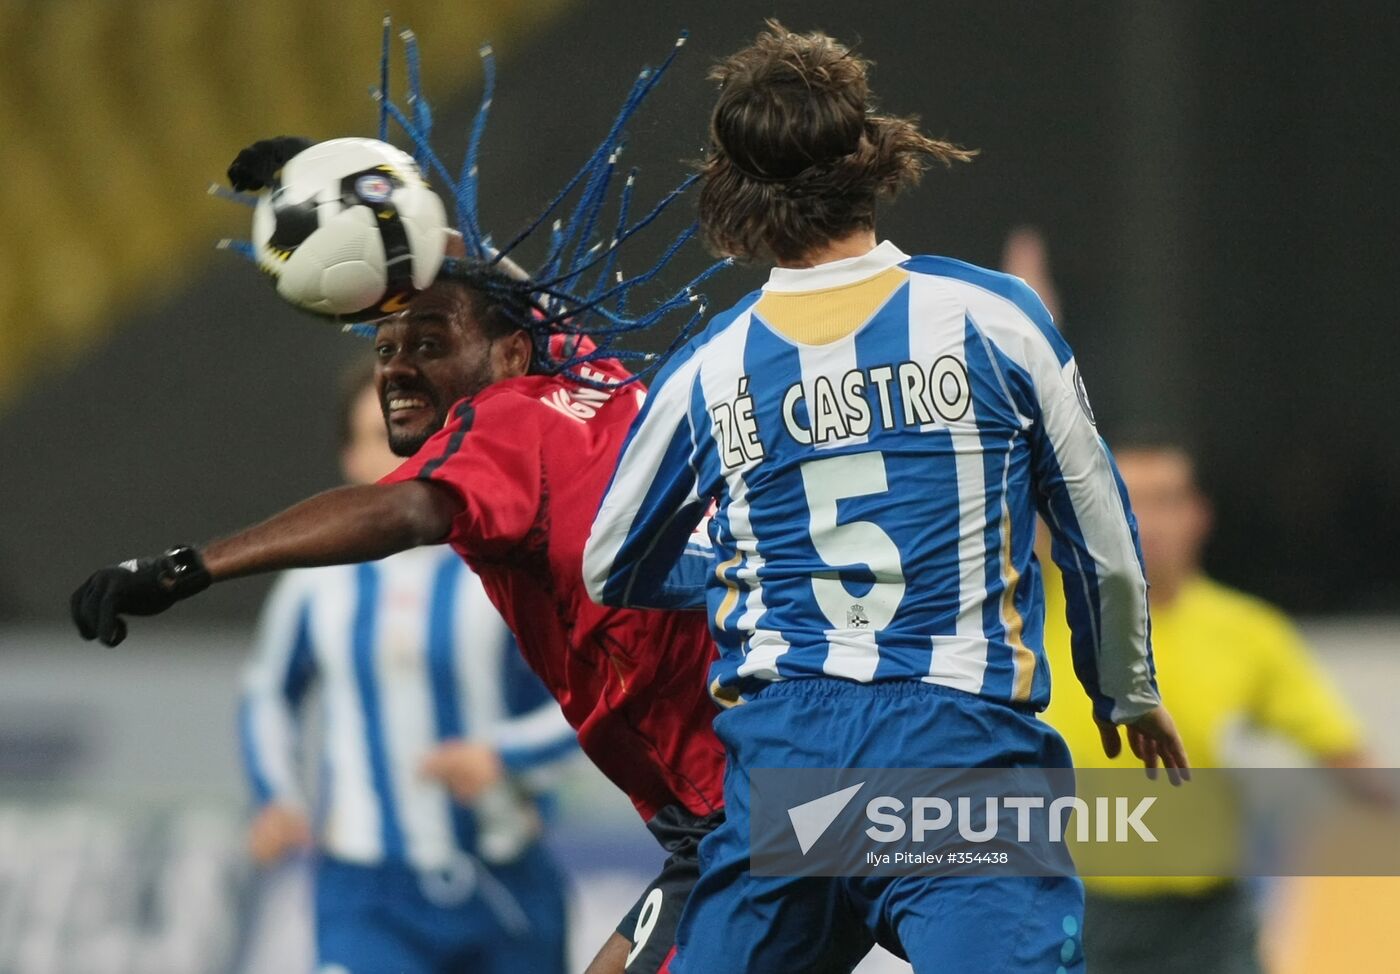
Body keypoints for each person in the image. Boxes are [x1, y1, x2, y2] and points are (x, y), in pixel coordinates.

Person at [71, 36, 727, 974]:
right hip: (739, 793)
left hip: (736, 805)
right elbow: (494, 280)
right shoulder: (587, 373)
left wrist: (190, 567)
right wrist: (337, 184)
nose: (397, 364)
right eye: (383, 348)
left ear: (503, 356)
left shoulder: (504, 423)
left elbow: (407, 513)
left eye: (427, 339)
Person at [583, 21, 1189, 974]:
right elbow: (1097, 531)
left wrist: (744, 570)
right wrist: (1125, 687)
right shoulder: (994, 319)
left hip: (792, 772)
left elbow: (611, 560)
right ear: (874, 159)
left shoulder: (708, 370)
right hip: (958, 760)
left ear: (734, 196)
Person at [239, 367, 576, 973]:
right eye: (379, 435)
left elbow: (587, 703)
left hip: (503, 883)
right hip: (369, 893)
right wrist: (277, 796)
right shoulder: (316, 582)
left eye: (414, 433)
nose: (401, 453)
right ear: (349, 456)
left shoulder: (507, 566)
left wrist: (502, 754)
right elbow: (267, 692)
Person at [1038, 437, 1377, 974]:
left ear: (1198, 516)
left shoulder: (1249, 634)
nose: (1145, 521)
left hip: (1209, 919)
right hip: (1076, 909)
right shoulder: (1049, 611)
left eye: (1165, 500)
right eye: (1122, 499)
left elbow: (1345, 754)